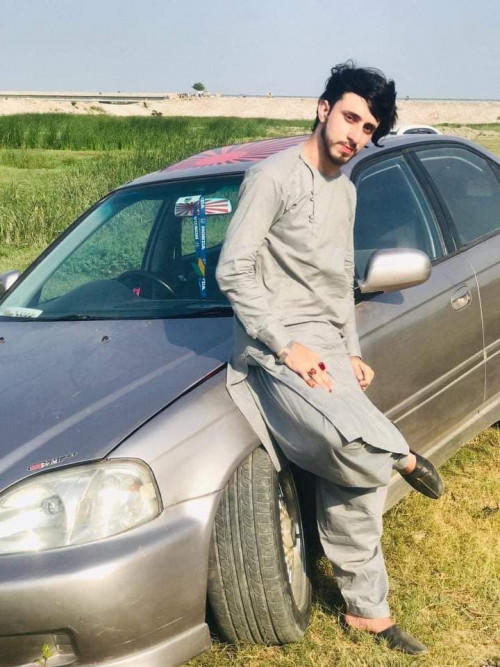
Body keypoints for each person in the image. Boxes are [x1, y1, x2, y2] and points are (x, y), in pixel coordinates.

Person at [215, 62, 443, 655]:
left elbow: (340, 278)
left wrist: (351, 349)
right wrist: (283, 345)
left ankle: (368, 611)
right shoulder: (271, 178)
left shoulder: (347, 191)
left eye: (368, 128)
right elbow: (233, 270)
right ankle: (402, 452)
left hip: (326, 345)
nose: (356, 135)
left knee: (354, 476)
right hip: (273, 349)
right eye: (350, 117)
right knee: (349, 446)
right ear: (323, 109)